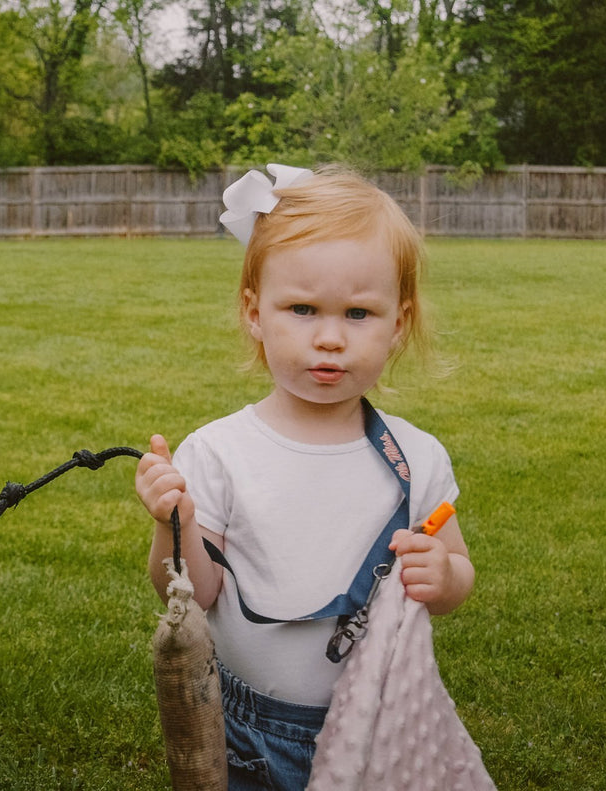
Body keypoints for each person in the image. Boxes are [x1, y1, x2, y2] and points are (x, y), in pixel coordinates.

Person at [134, 164, 475, 791]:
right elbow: (191, 595)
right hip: (248, 735)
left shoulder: (419, 456)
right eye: (302, 309)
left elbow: (458, 577)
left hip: (381, 716)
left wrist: (443, 574)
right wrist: (173, 525)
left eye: (358, 314)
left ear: (397, 323)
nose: (329, 339)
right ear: (255, 313)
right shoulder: (218, 452)